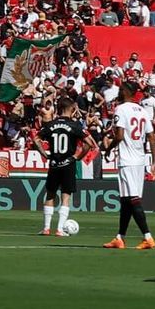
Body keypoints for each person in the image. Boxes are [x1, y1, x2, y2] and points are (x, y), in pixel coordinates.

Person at [103, 90, 155, 250]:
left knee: (132, 199)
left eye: (120, 91)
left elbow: (119, 136)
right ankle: (120, 238)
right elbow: (152, 137)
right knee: (126, 200)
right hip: (140, 160)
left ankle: (148, 237)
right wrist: (154, 161)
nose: (118, 93)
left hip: (127, 160)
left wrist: (108, 149)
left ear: (126, 92)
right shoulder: (142, 110)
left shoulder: (121, 109)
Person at [36, 97, 92, 236]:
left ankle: (46, 228)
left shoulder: (50, 124)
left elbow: (36, 139)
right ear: (72, 109)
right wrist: (77, 157)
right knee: (65, 197)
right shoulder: (75, 126)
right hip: (68, 164)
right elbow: (88, 143)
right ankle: (60, 230)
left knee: (50, 195)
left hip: (54, 163)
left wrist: (44, 154)